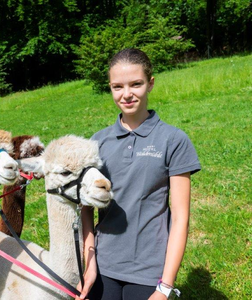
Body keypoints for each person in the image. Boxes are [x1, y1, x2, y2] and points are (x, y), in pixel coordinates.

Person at [76, 48, 201, 300]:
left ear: (150, 84)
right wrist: (90, 265)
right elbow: (86, 209)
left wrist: (164, 287)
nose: (126, 94)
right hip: (103, 265)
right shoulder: (96, 143)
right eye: (117, 87)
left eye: (136, 84)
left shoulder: (173, 140)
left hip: (149, 270)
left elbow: (180, 218)